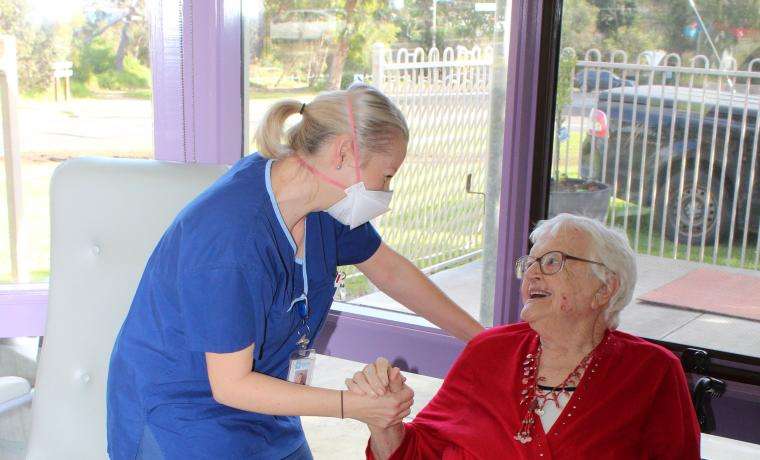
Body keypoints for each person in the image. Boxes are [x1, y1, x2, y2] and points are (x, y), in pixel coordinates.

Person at [106, 83, 484, 459]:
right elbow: (231, 386)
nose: (386, 192)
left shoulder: (323, 202)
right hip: (185, 413)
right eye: (385, 176)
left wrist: (482, 339)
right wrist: (353, 405)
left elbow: (389, 269)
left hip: (268, 399)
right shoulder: (230, 236)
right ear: (344, 153)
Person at [348, 213, 701, 459]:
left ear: (604, 288)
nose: (532, 274)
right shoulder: (490, 351)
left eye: (552, 262)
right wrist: (384, 422)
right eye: (529, 263)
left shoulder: (652, 372)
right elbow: (418, 453)